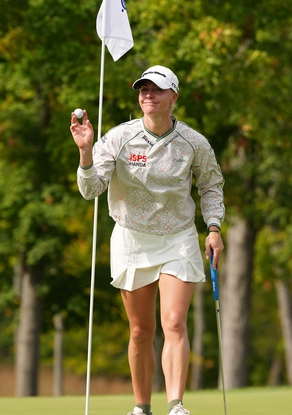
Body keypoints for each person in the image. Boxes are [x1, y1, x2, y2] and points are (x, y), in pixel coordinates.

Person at [70, 65, 225, 415]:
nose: (147, 95)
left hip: (178, 237)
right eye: (143, 90)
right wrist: (85, 152)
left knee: (173, 322)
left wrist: (213, 228)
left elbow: (211, 186)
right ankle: (142, 407)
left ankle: (176, 405)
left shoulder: (194, 143)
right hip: (132, 238)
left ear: (174, 96)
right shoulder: (118, 138)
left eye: (156, 90)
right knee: (141, 330)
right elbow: (90, 189)